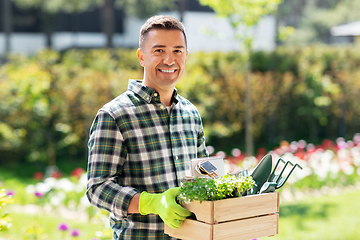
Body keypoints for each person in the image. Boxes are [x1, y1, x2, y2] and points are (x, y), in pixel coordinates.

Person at [86, 15, 209, 239]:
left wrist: (230, 185)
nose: (170, 60)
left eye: (177, 51)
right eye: (159, 50)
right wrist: (153, 202)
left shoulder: (190, 113)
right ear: (142, 57)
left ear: (186, 56)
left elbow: (204, 173)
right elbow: (97, 189)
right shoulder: (115, 115)